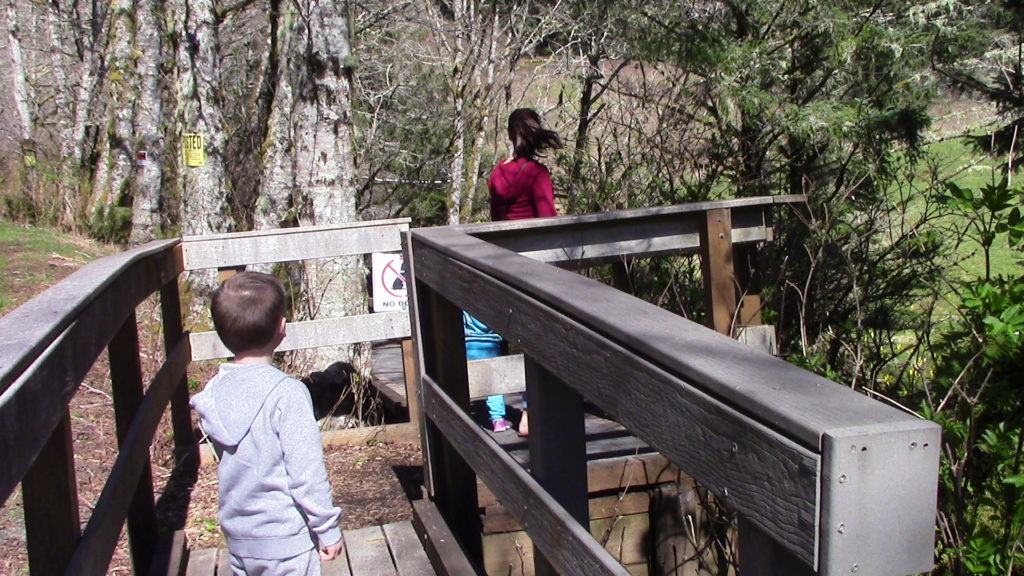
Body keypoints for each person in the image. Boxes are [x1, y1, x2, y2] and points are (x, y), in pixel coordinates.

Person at [191, 271, 343, 576]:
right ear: (282, 328)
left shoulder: (216, 391)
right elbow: (306, 472)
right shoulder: (287, 394)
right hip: (285, 540)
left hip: (240, 538)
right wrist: (327, 528)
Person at [474, 107, 563, 435]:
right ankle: (531, 412)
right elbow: (547, 220)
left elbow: (497, 223)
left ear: (510, 135)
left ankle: (501, 412)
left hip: (506, 265)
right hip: (536, 266)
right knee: (540, 339)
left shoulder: (496, 176)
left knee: (504, 338)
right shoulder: (537, 174)